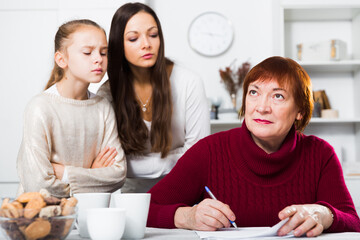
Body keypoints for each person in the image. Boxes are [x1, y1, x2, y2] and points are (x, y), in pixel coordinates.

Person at [147, 56, 360, 237]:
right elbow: (145, 210)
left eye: (278, 96)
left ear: (300, 111)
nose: (262, 107)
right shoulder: (209, 151)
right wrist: (187, 217)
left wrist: (325, 214)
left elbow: (353, 222)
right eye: (254, 92)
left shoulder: (320, 154)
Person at [97, 2, 210, 193]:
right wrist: (173, 158)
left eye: (153, 35)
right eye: (133, 38)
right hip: (130, 196)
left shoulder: (188, 82)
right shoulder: (108, 93)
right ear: (118, 44)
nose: (146, 44)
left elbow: (199, 155)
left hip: (182, 190)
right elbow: (106, 161)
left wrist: (125, 164)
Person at [17, 19, 126, 198]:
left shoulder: (103, 107)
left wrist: (65, 173)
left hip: (89, 216)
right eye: (87, 52)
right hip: (43, 219)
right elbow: (37, 185)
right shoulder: (40, 108)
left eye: (103, 52)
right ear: (61, 59)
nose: (98, 58)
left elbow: (118, 175)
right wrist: (92, 174)